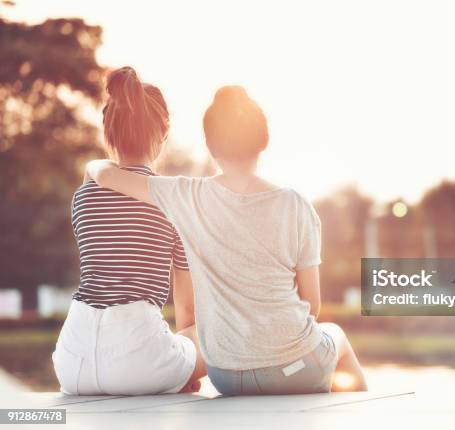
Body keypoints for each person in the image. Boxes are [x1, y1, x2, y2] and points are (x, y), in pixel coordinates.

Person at [85, 85, 367, 395]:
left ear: (209, 145)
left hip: (227, 375)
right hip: (295, 369)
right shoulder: (296, 204)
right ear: (264, 140)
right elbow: (312, 304)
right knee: (335, 334)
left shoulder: (187, 195)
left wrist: (93, 165)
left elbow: (109, 177)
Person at [52, 67, 206, 396]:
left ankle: (168, 371)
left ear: (109, 135)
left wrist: (95, 168)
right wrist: (181, 366)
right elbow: (187, 309)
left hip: (72, 365)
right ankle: (172, 375)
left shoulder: (82, 198)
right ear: (163, 134)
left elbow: (94, 177)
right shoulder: (174, 201)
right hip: (139, 362)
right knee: (210, 336)